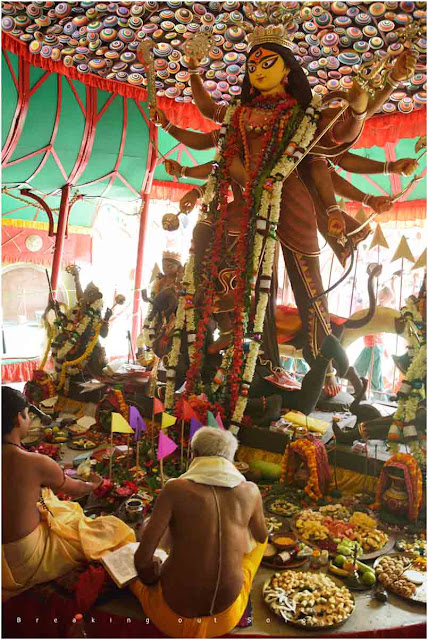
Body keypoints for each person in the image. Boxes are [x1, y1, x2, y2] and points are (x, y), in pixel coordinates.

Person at [154, 25, 417, 421]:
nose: (256, 69)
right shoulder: (240, 114)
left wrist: (384, 87)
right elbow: (210, 120)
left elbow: (342, 131)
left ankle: (328, 370)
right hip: (244, 207)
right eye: (252, 63)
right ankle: (240, 361)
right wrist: (193, 74)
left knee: (311, 295)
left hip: (289, 204)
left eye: (267, 62)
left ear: (288, 70)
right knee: (222, 274)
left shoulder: (303, 116)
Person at [132, 427, 268, 638]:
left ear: (194, 455)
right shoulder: (250, 490)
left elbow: (142, 562)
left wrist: (152, 579)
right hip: (226, 617)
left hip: (173, 617)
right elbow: (261, 536)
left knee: (130, 565)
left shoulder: (175, 489)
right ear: (231, 459)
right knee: (261, 545)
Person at [2, 386, 135, 601]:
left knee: (58, 509)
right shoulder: (34, 463)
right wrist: (93, 484)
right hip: (22, 560)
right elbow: (77, 489)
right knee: (109, 529)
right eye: (28, 415)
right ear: (19, 418)